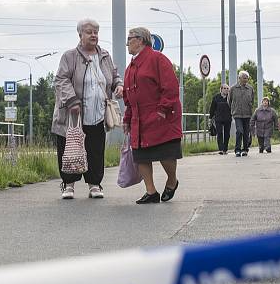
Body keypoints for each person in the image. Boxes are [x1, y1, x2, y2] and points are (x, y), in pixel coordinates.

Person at [52, 19, 123, 200]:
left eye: (96, 32)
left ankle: (94, 184)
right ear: (80, 35)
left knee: (95, 149)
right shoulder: (70, 56)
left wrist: (118, 86)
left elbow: (114, 76)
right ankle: (68, 185)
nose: (94, 36)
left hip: (97, 113)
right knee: (70, 147)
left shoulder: (104, 56)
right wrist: (72, 100)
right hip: (72, 115)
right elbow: (61, 80)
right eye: (89, 32)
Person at [123, 27, 183, 204]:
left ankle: (172, 180)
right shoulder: (131, 67)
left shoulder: (158, 59)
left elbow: (170, 87)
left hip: (159, 116)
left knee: (165, 152)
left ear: (140, 40)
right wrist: (127, 118)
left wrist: (162, 110)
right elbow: (129, 97)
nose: (127, 43)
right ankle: (151, 191)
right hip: (139, 118)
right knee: (141, 154)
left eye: (129, 39)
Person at [228, 71, 255, 157]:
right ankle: (237, 150)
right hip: (237, 114)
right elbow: (229, 101)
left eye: (247, 78)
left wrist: (250, 108)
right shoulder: (233, 88)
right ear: (239, 78)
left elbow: (252, 100)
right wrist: (233, 110)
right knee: (239, 131)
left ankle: (245, 149)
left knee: (246, 132)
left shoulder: (250, 89)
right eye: (244, 77)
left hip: (247, 113)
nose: (246, 79)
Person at [209, 84, 232, 154]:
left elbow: (233, 107)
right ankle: (221, 149)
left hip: (228, 118)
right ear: (221, 89)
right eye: (224, 88)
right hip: (218, 118)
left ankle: (225, 149)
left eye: (227, 88)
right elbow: (212, 108)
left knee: (227, 134)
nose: (226, 90)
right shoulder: (216, 97)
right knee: (219, 133)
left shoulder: (230, 98)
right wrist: (210, 118)